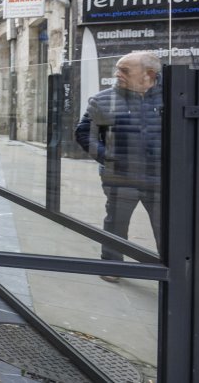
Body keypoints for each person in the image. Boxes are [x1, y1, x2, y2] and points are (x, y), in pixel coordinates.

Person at [74, 51, 163, 282]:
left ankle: (169, 269)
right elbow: (84, 133)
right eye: (117, 69)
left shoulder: (172, 97)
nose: (117, 74)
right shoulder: (103, 100)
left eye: (124, 70)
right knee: (116, 222)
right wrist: (107, 158)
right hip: (120, 178)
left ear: (149, 75)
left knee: (166, 226)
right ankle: (112, 266)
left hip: (162, 179)